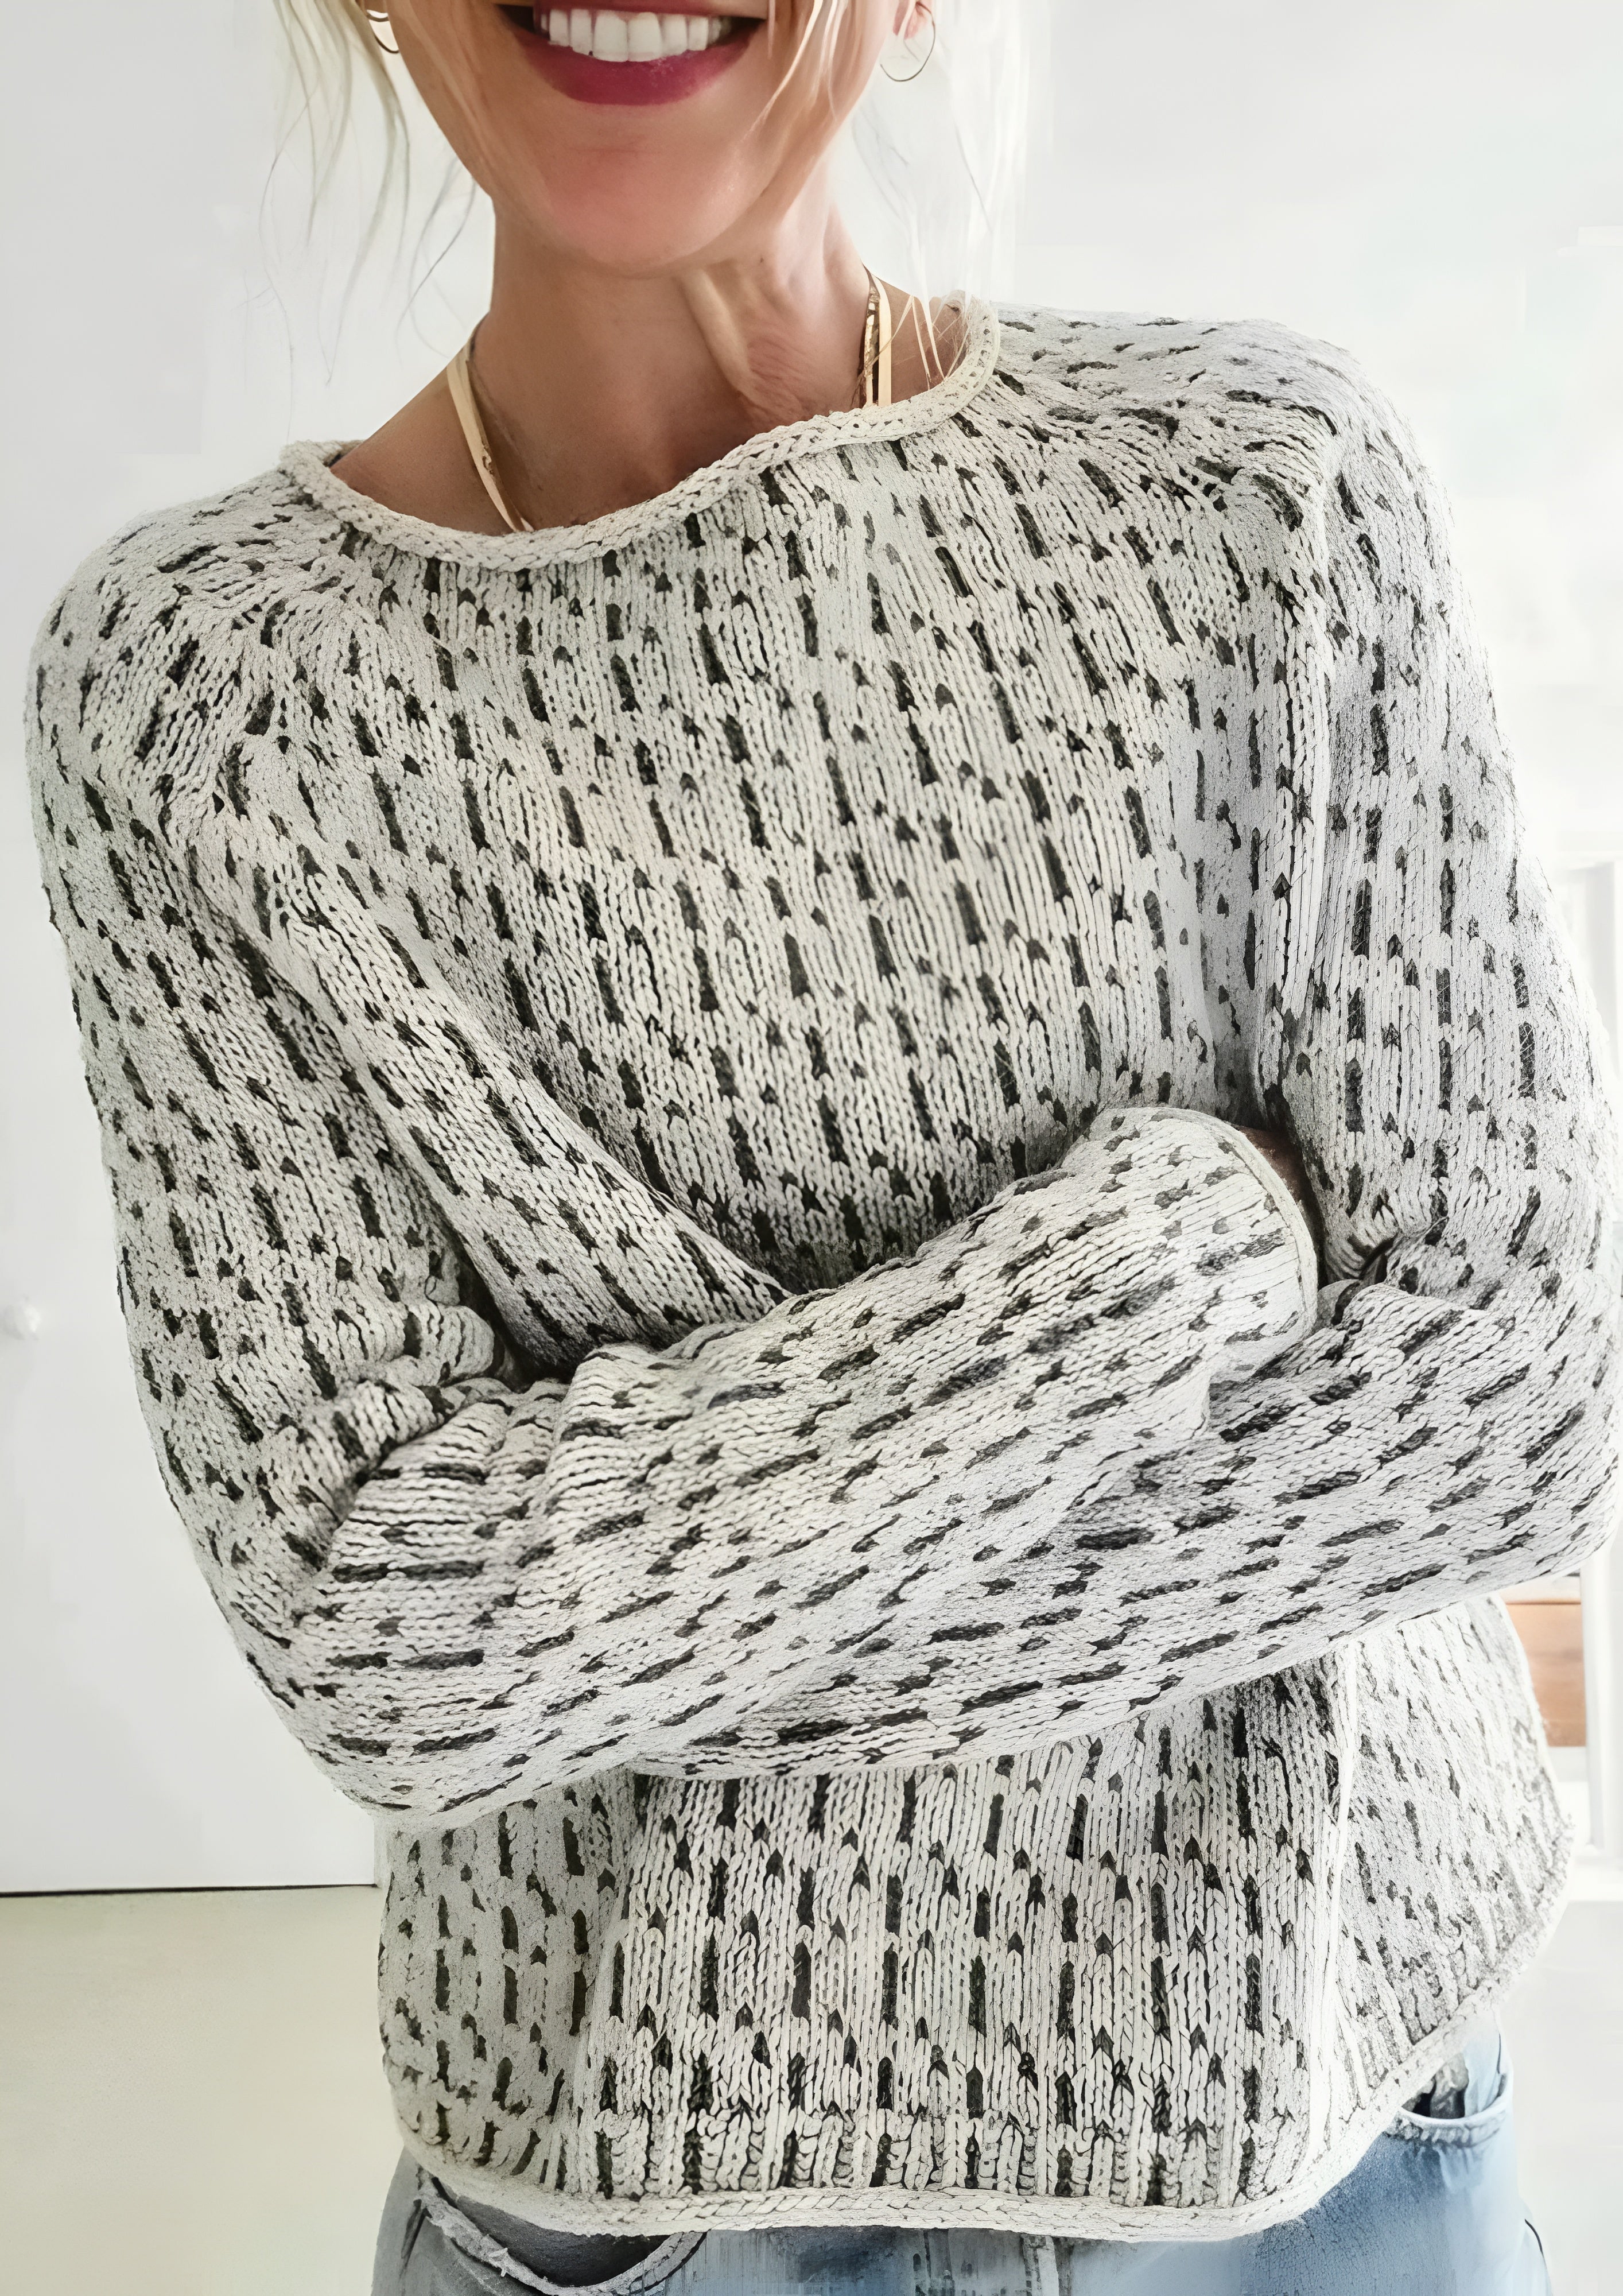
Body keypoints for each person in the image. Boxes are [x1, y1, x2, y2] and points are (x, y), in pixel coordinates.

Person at [25, 3, 1617, 2290]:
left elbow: (1521, 1388)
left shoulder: (1254, 492)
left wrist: (646, 1620)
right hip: (654, 2211)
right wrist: (1160, 1262)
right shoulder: (204, 700)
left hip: (1335, 2138)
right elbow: (392, 1632)